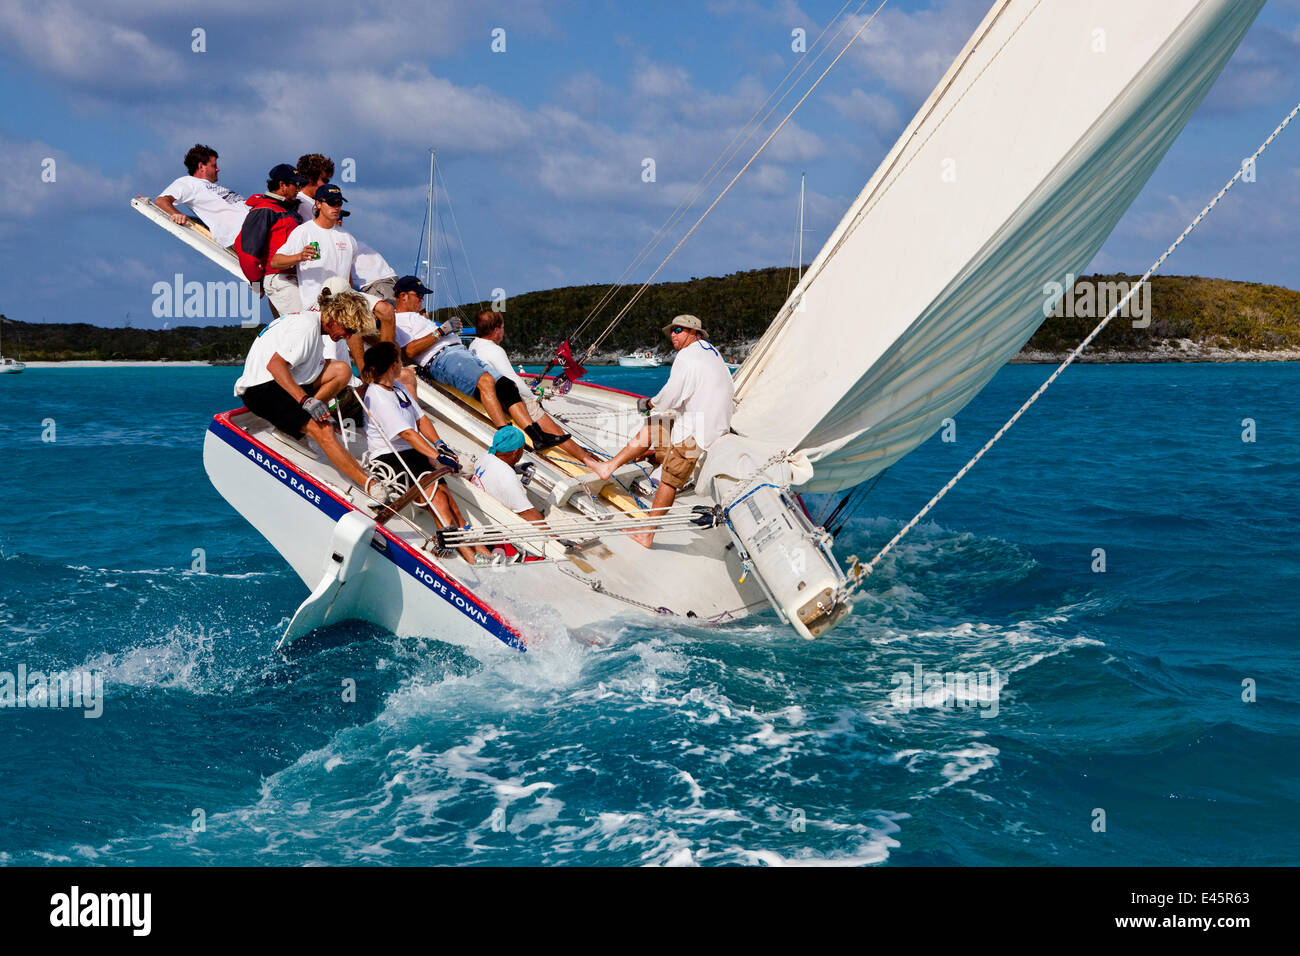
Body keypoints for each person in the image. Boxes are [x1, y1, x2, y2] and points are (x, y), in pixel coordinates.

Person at [591, 314, 733, 548]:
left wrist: (648, 404)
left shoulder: (687, 356)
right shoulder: (711, 351)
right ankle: (609, 466)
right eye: (671, 331)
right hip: (714, 425)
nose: (673, 335)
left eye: (678, 330)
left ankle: (648, 534)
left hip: (698, 433)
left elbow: (670, 396)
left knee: (669, 481)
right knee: (655, 424)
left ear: (694, 332)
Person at [391, 278, 568, 452]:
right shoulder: (398, 321)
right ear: (403, 296)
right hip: (443, 358)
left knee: (507, 385)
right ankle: (505, 435)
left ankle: (537, 436)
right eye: (419, 295)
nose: (422, 299)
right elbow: (408, 352)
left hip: (460, 353)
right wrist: (441, 331)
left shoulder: (416, 317)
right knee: (485, 381)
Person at [233, 290, 379, 494]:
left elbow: (307, 369)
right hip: (262, 390)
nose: (347, 336)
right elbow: (275, 366)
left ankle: (301, 421)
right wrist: (306, 401)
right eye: (347, 330)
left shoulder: (312, 324)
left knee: (342, 370)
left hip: (279, 382)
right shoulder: (306, 327)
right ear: (335, 317)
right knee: (324, 430)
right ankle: (371, 486)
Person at [360, 343, 490, 564]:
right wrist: (436, 456)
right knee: (439, 500)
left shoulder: (398, 388)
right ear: (393, 366)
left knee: (451, 504)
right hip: (390, 456)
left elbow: (421, 420)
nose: (402, 364)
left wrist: (440, 445)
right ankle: (470, 557)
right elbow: (407, 433)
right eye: (400, 361)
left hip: (412, 453)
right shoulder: (378, 395)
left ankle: (481, 553)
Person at [469, 309, 599, 469]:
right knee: (557, 432)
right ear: (496, 330)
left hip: (492, 396)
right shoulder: (494, 350)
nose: (504, 331)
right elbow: (512, 378)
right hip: (509, 397)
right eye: (502, 327)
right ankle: (590, 461)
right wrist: (533, 398)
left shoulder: (473, 346)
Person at [235, 163, 308, 317]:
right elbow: (247, 253)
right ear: (282, 185)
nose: (299, 188)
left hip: (294, 278)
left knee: (305, 327)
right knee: (303, 325)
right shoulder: (264, 210)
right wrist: (256, 285)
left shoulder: (287, 209)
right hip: (279, 278)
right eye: (295, 184)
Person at [154, 144, 249, 248]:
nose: (218, 169)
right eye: (214, 166)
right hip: (243, 233)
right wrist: (175, 214)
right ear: (201, 167)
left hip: (257, 222)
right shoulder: (189, 182)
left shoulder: (212, 186)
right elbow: (161, 201)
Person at [472, 426, 546, 527]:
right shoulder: (507, 478)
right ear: (516, 452)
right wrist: (557, 539)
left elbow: (495, 472)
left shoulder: (486, 456)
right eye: (522, 449)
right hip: (493, 522)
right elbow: (528, 513)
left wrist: (514, 468)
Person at [295, 153, 333, 225]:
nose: (327, 185)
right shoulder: (296, 203)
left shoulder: (320, 204)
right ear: (311, 179)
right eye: (325, 180)